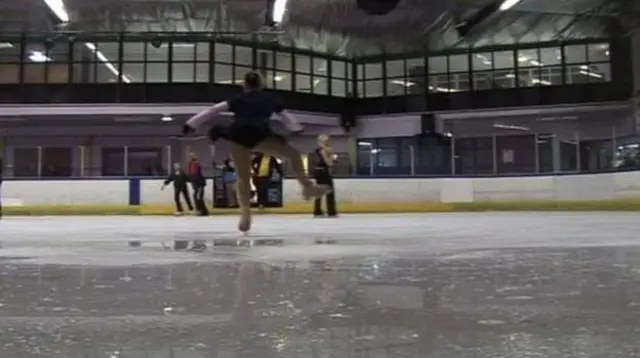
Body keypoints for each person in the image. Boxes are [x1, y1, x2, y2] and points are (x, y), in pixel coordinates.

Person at [182, 70, 331, 233]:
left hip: (239, 137)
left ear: (244, 85)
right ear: (261, 84)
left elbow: (213, 110)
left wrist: (191, 124)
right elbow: (285, 115)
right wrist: (296, 127)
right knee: (294, 155)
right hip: (261, 136)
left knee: (243, 177)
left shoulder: (237, 99)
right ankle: (307, 186)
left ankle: (245, 212)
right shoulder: (269, 99)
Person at [311, 134, 338, 217]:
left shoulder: (316, 150)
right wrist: (333, 159)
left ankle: (317, 211)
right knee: (330, 191)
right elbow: (329, 163)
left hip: (317, 172)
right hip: (324, 172)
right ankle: (331, 211)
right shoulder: (326, 150)